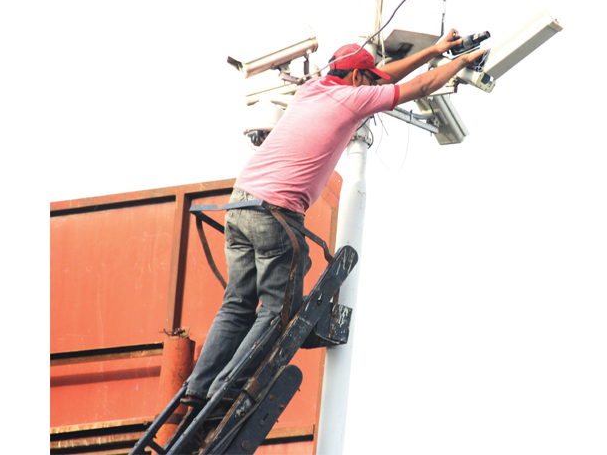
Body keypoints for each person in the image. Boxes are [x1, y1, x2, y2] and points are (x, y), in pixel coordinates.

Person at [183, 28, 485, 405]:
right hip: (277, 213)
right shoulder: (352, 100)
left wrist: (437, 49)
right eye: (368, 79)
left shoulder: (312, 88)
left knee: (238, 304)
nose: (372, 85)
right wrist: (459, 62)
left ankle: (197, 388)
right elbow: (420, 87)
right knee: (278, 312)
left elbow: (386, 76)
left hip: (241, 202)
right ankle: (223, 390)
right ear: (358, 79)